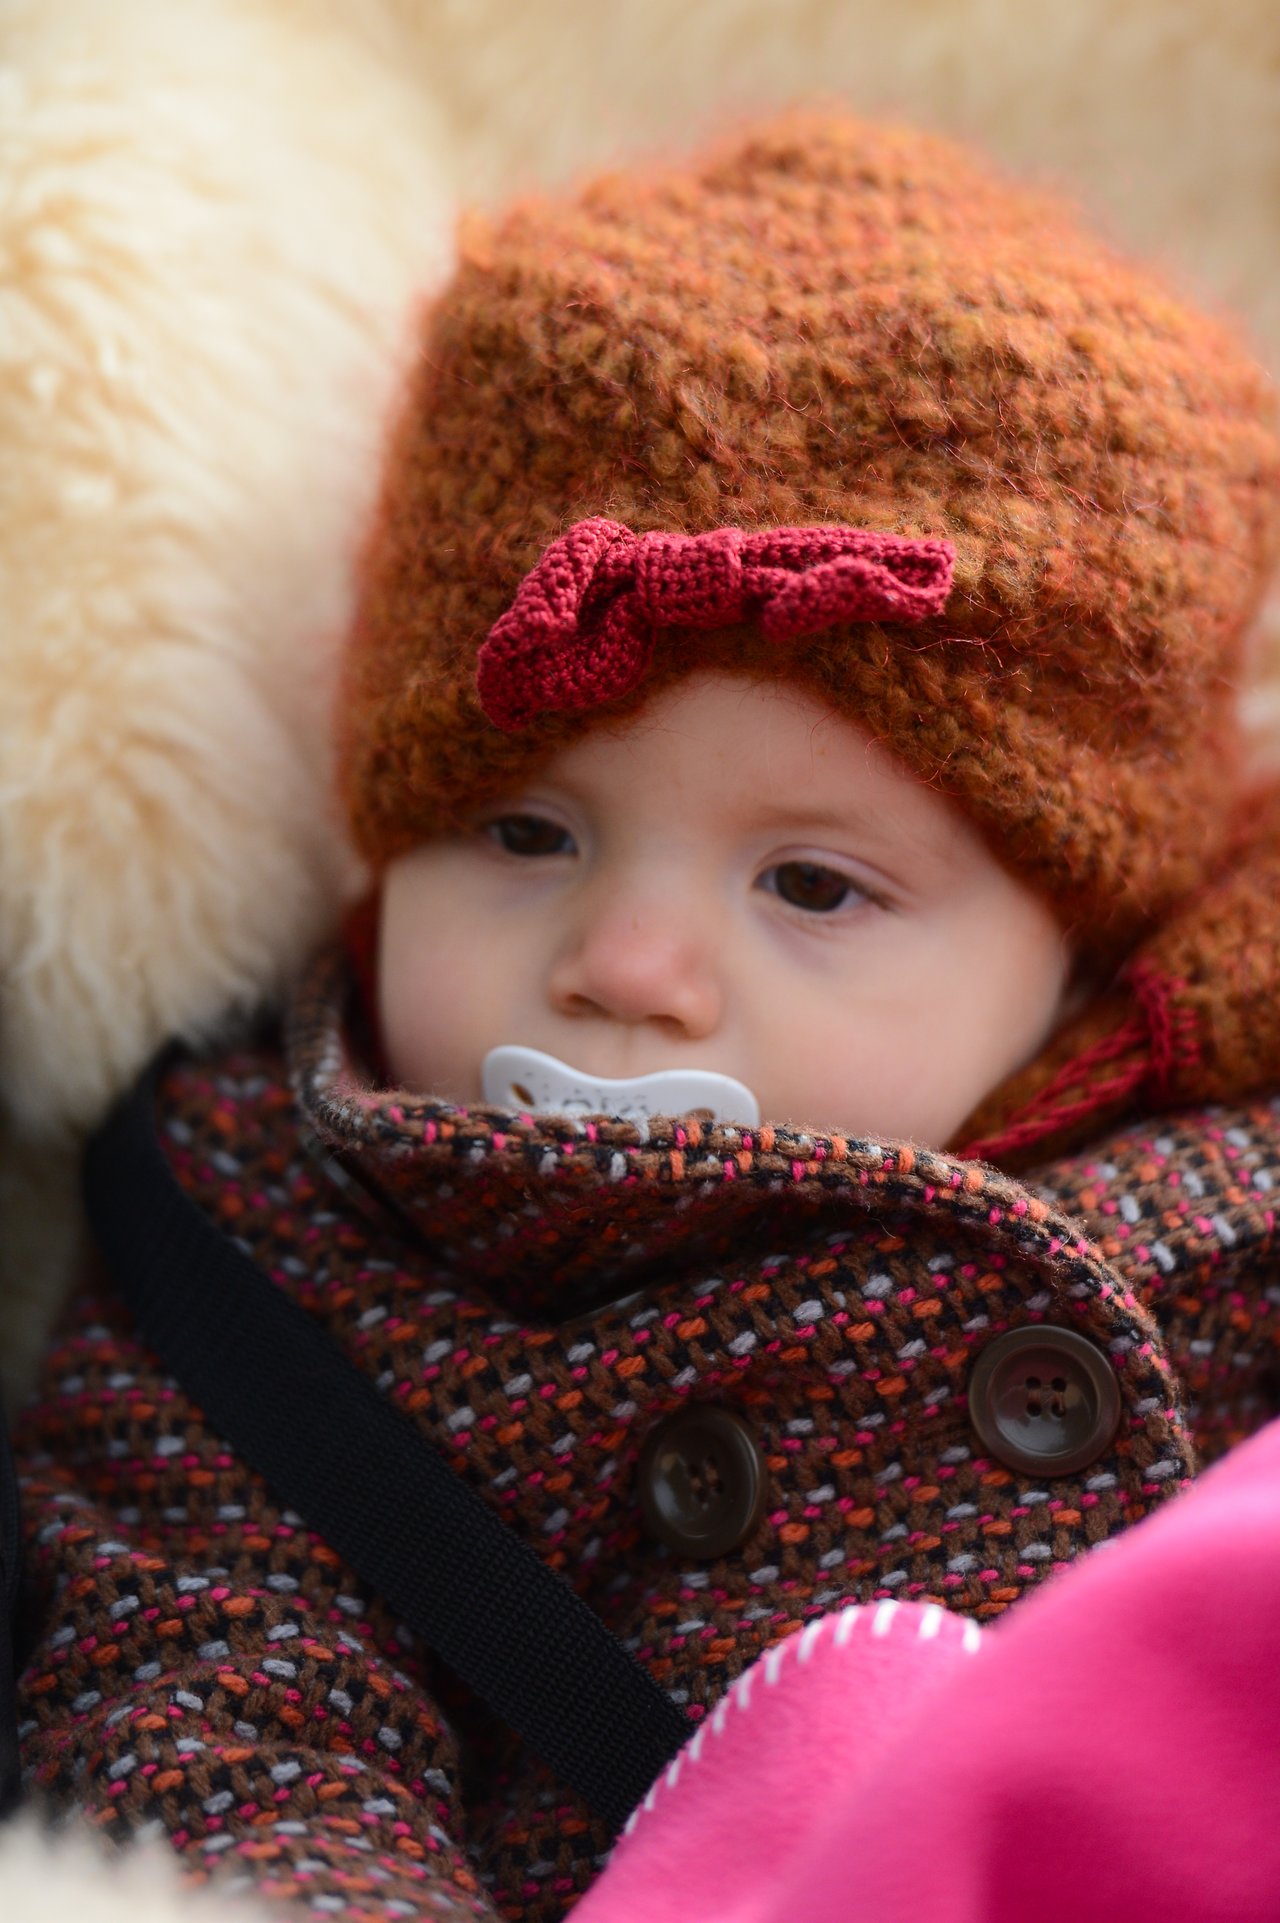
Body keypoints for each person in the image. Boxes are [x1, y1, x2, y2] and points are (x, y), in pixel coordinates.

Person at [11, 108, 1280, 1923]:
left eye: (814, 886)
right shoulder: (275, 1256)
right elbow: (225, 1692)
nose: (628, 962)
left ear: (1074, 946)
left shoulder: (1224, 1178)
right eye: (524, 832)